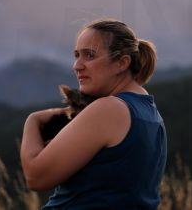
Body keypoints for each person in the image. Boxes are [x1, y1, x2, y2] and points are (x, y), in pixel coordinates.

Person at [20, 18, 167, 209]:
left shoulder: (109, 109)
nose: (77, 66)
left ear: (122, 63)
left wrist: (32, 120)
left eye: (89, 55)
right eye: (76, 55)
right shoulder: (151, 114)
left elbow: (36, 177)